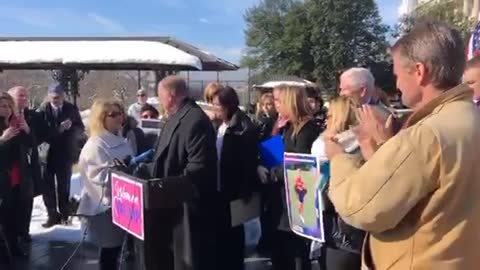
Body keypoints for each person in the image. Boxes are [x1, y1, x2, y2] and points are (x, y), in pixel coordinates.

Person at [325, 20, 480, 270]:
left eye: (397, 74)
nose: (396, 84)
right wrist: (383, 150)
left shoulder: (427, 133)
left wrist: (338, 158)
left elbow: (360, 206)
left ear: (419, 72)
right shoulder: (468, 117)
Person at [144, 75, 218, 270]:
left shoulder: (195, 120)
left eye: (160, 96)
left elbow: (199, 166)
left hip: (187, 210)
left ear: (170, 95)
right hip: (168, 208)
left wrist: (170, 187)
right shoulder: (174, 117)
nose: (159, 101)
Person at [268, 85, 322, 270]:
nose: (276, 106)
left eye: (279, 101)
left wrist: (273, 173)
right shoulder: (288, 126)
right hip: (283, 199)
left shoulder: (307, 129)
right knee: (282, 251)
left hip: (299, 202)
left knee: (297, 254)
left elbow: (300, 166)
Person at [77, 99, 133, 270]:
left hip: (125, 206)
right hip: (104, 210)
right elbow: (100, 181)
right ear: (101, 118)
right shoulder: (96, 145)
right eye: (113, 114)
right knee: (108, 255)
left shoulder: (122, 140)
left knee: (119, 255)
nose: (119, 117)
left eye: (120, 113)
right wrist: (124, 170)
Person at [310, 96, 364, 270]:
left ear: (342, 118)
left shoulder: (355, 148)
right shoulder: (324, 145)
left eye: (331, 115)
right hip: (333, 229)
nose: (326, 119)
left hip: (344, 233)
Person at [211, 86, 259, 270]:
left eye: (218, 105)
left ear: (228, 106)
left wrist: (242, 192)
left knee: (234, 237)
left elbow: (247, 163)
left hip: (233, 191)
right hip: (218, 186)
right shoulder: (219, 125)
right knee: (221, 236)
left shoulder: (243, 127)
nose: (214, 109)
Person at [38, 84, 85, 227]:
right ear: (49, 96)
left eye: (57, 97)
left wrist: (72, 126)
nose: (55, 99)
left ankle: (65, 215)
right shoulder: (43, 110)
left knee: (64, 185)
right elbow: (42, 132)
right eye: (52, 97)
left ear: (63, 96)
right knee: (47, 186)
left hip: (65, 153)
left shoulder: (71, 109)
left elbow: (80, 127)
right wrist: (59, 129)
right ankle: (52, 215)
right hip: (47, 153)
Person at [7, 86, 45, 244]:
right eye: (20, 96)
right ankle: (12, 236)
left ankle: (24, 232)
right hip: (10, 167)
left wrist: (27, 130)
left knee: (26, 201)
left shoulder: (34, 116)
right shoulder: (5, 117)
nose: (24, 98)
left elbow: (37, 140)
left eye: (26, 96)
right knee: (12, 204)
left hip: (28, 167)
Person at [0, 92, 34, 258]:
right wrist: (2, 140)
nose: (5, 110)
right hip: (2, 178)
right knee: (4, 216)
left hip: (17, 176)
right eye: (2, 106)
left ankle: (14, 247)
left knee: (14, 215)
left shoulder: (15, 124)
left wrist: (27, 130)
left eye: (8, 106)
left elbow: (31, 144)